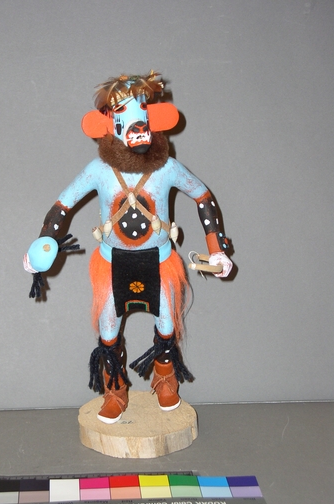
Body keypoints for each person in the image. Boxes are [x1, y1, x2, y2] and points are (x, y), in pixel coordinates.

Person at [24, 72, 233, 424]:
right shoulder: (98, 171)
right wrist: (44, 242)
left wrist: (216, 247)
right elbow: (63, 205)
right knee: (108, 329)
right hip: (111, 264)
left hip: (160, 261)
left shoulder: (168, 168)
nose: (136, 125)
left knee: (166, 322)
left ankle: (164, 376)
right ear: (108, 123)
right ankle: (115, 388)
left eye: (141, 111)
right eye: (123, 114)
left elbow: (202, 195)